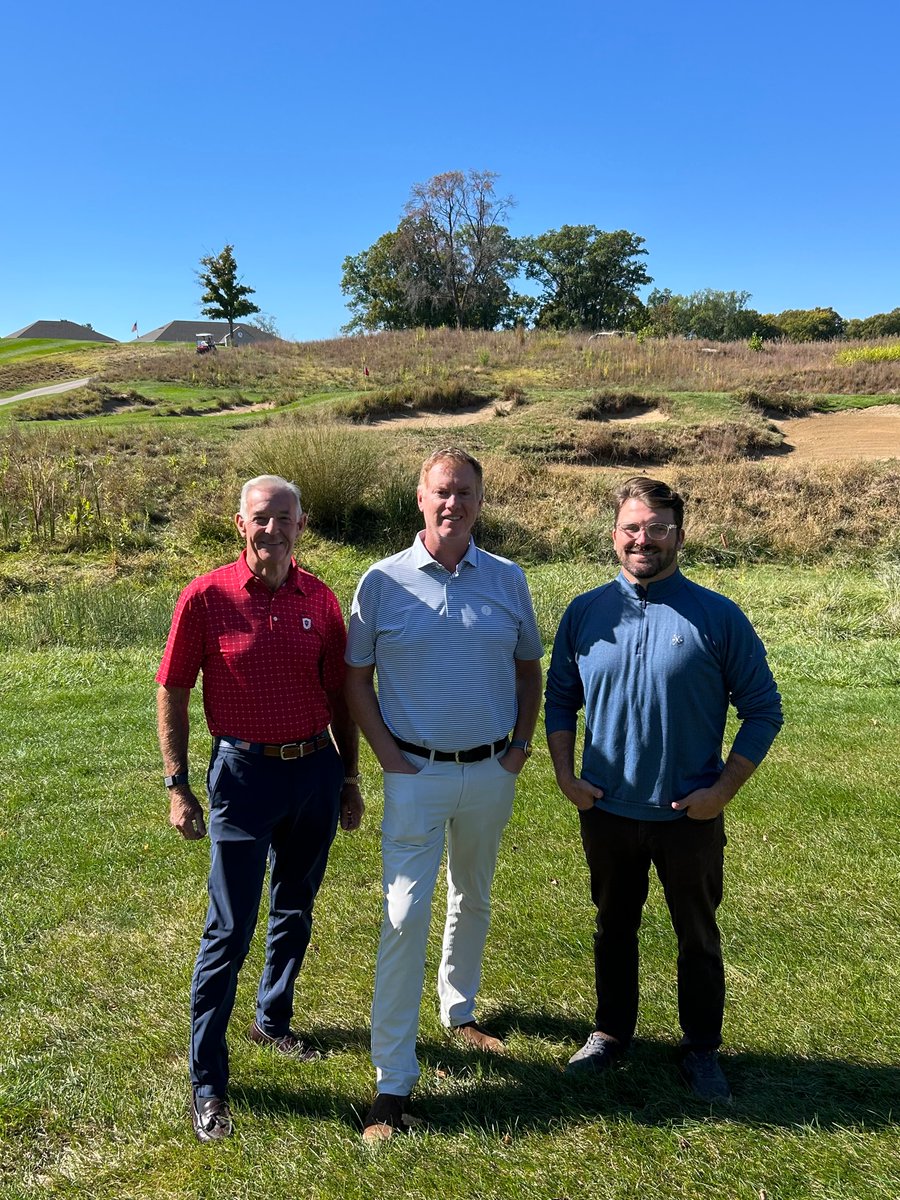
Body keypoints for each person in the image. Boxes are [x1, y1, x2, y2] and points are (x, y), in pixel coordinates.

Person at [545, 476, 782, 1102]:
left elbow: (763, 710)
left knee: (697, 936)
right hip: (607, 809)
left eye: (655, 528)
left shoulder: (716, 615)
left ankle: (701, 1049)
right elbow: (561, 699)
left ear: (679, 535)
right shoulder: (585, 613)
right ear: (615, 535)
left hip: (690, 815)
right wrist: (567, 776)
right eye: (631, 527)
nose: (641, 539)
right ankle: (611, 1034)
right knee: (612, 926)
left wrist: (723, 791)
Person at [156, 474, 363, 1143]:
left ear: (302, 525)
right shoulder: (206, 597)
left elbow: (339, 696)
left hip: (314, 774)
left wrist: (351, 778)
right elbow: (173, 688)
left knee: (295, 906)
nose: (271, 530)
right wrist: (177, 785)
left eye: (284, 519)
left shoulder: (322, 601)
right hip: (242, 776)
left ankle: (272, 1020)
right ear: (239, 525)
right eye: (259, 519)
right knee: (229, 930)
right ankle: (208, 1084)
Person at [345, 448, 543, 1142]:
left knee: (475, 894)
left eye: (463, 492)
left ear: (480, 503)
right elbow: (356, 680)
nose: (452, 503)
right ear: (420, 499)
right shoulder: (381, 582)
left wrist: (520, 748)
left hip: (491, 769)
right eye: (440, 492)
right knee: (403, 918)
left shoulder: (508, 579)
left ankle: (459, 1012)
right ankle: (392, 1085)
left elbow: (528, 670)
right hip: (415, 777)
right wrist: (388, 759)